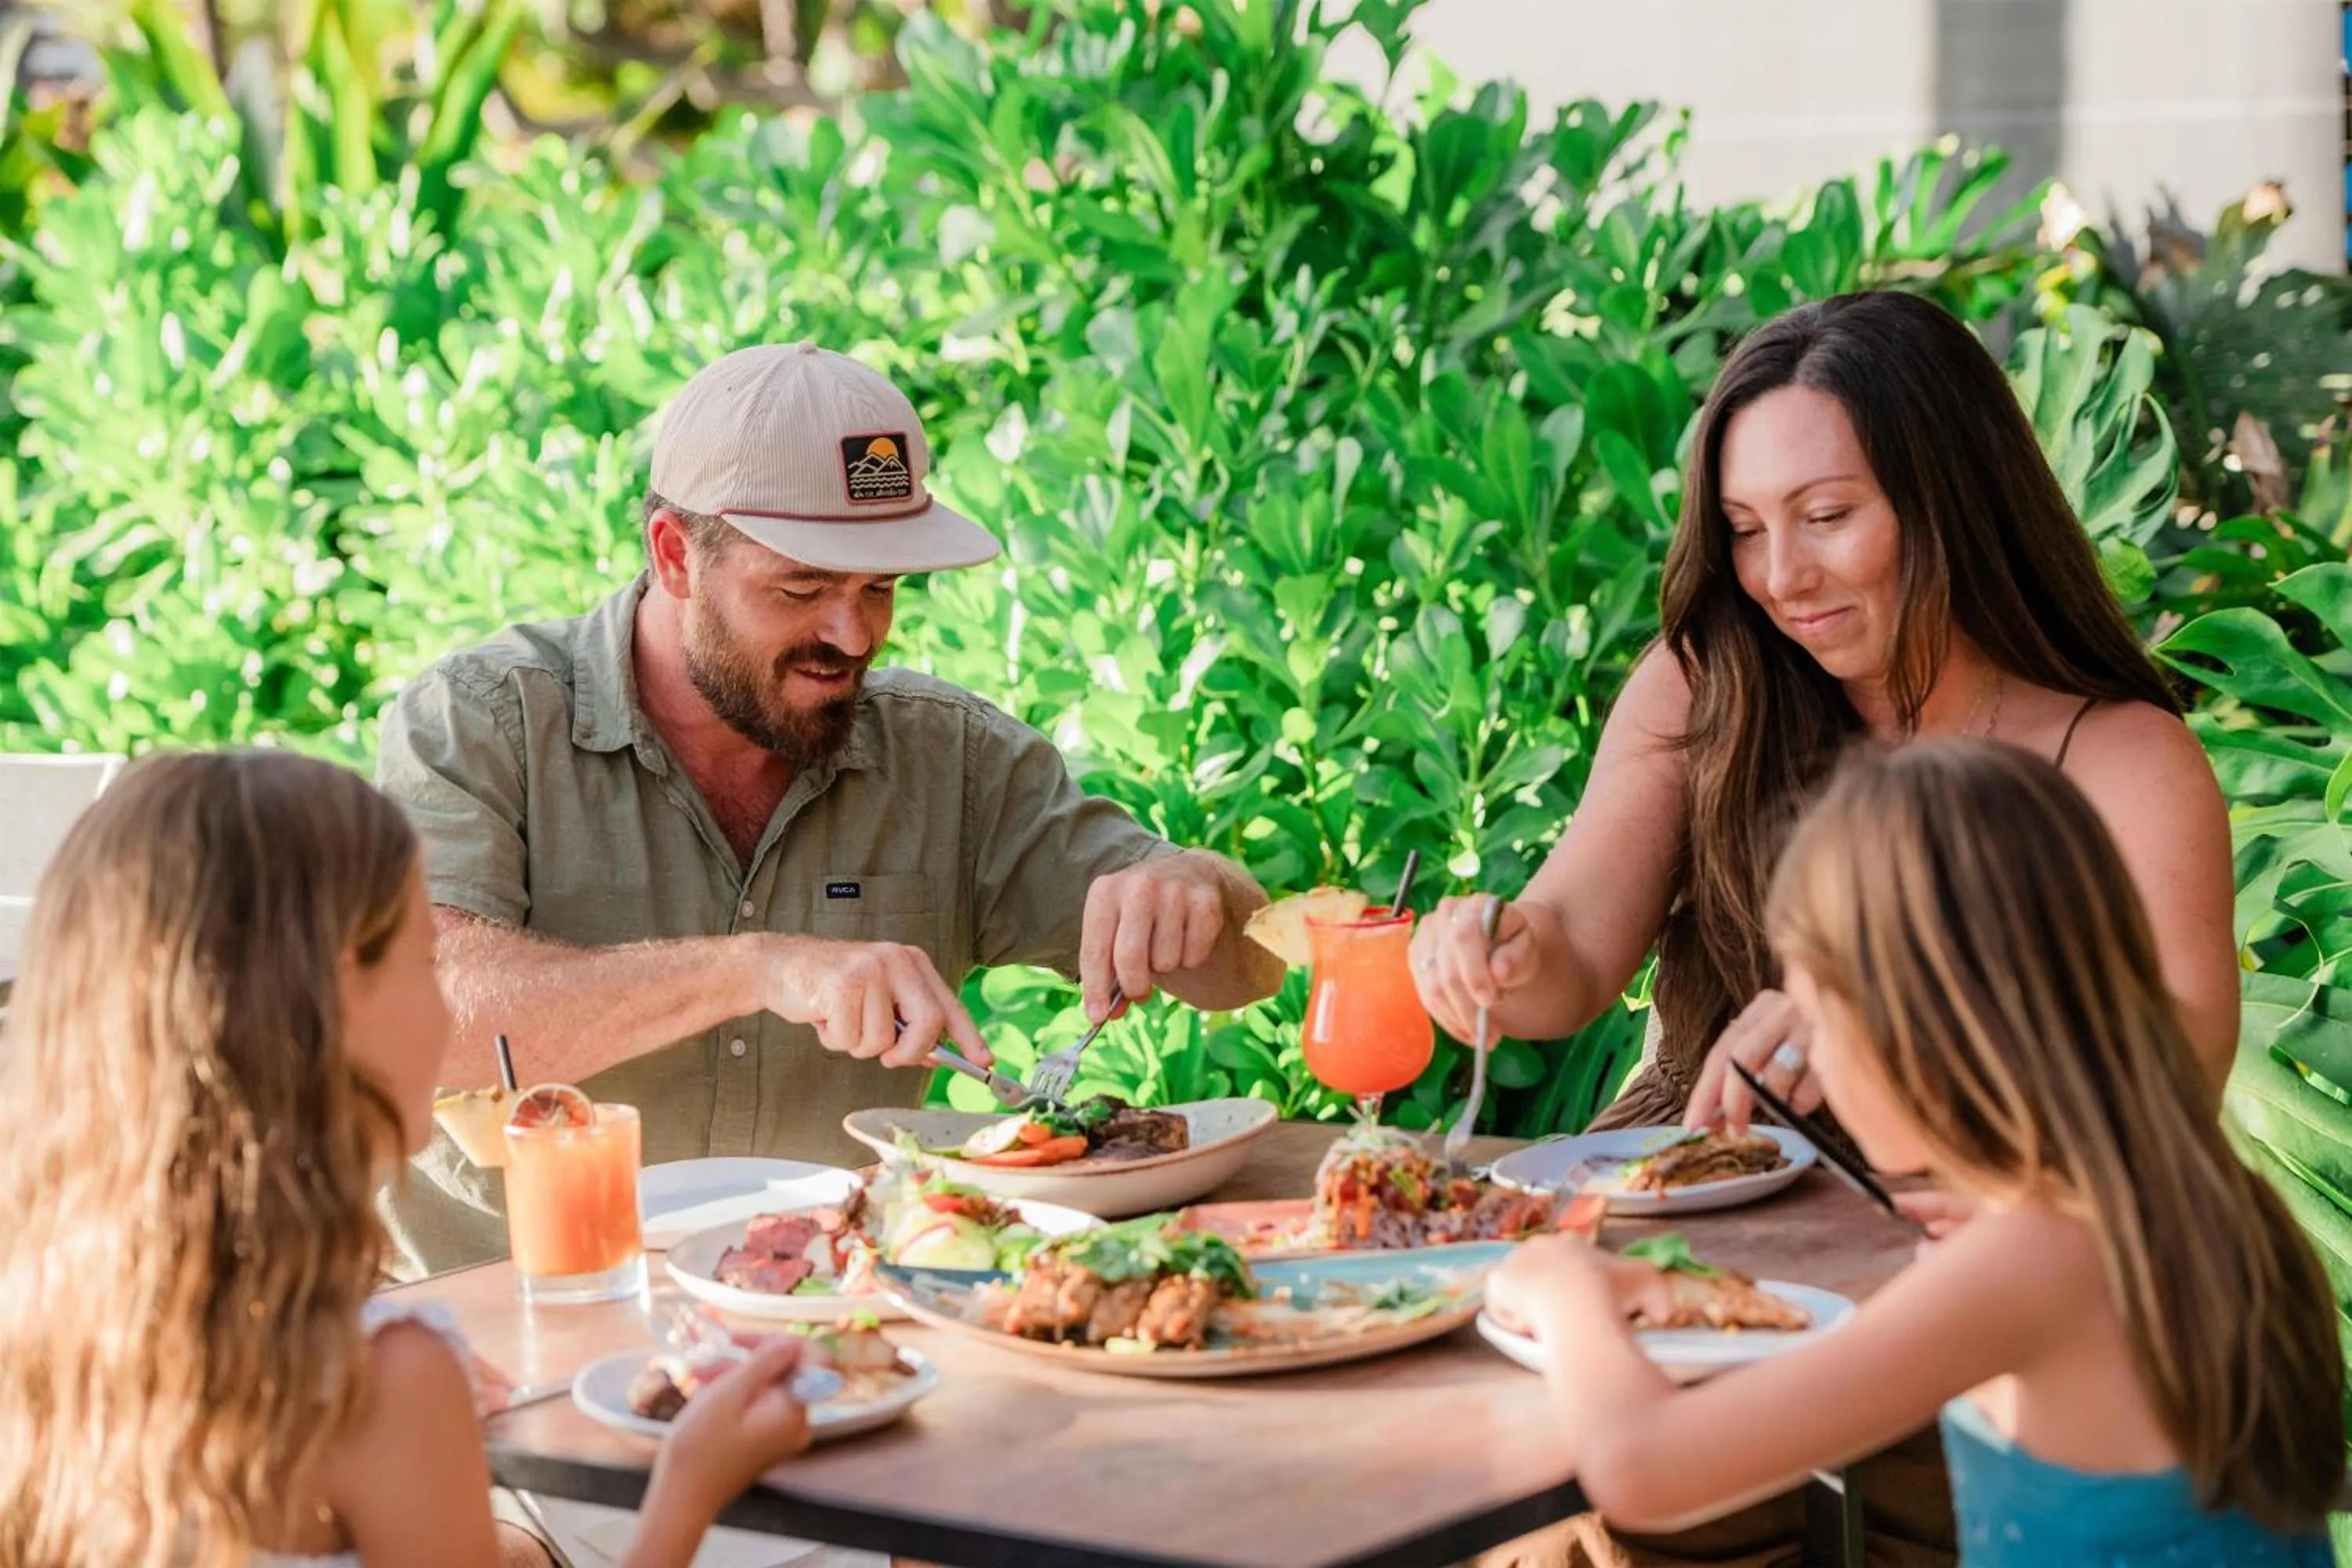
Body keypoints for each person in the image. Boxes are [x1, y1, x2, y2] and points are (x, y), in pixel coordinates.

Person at [1422, 291, 2241, 1566]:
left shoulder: (2118, 755)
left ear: (1952, 497)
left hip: (1956, 1236)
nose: (1780, 578)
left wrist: (1894, 1012)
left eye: (1827, 516)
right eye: (1747, 529)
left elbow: (2175, 1071)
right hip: (1688, 1207)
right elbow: (1568, 954)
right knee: (1546, 1495)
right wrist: (1499, 953)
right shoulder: (1709, 681)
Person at [376, 341, 1283, 1278]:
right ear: (675, 554)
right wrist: (758, 968)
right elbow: (414, 1021)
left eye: (879, 587)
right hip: (490, 1311)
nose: (852, 635)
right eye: (802, 587)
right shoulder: (482, 720)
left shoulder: (951, 757)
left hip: (816, 1313)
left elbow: (1249, 970)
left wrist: (1198, 888)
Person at [1484, 739, 2341, 1566]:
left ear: (1916, 1031)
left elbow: (1645, 1471)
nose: (1808, 1058)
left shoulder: (2029, 1261)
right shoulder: (2181, 1197)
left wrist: (1564, 1289)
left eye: (1816, 1022)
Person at [0, 750, 822, 1568]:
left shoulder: (46, 1317)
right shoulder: (379, 1378)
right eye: (427, 960)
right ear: (334, 1002)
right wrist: (692, 1482)